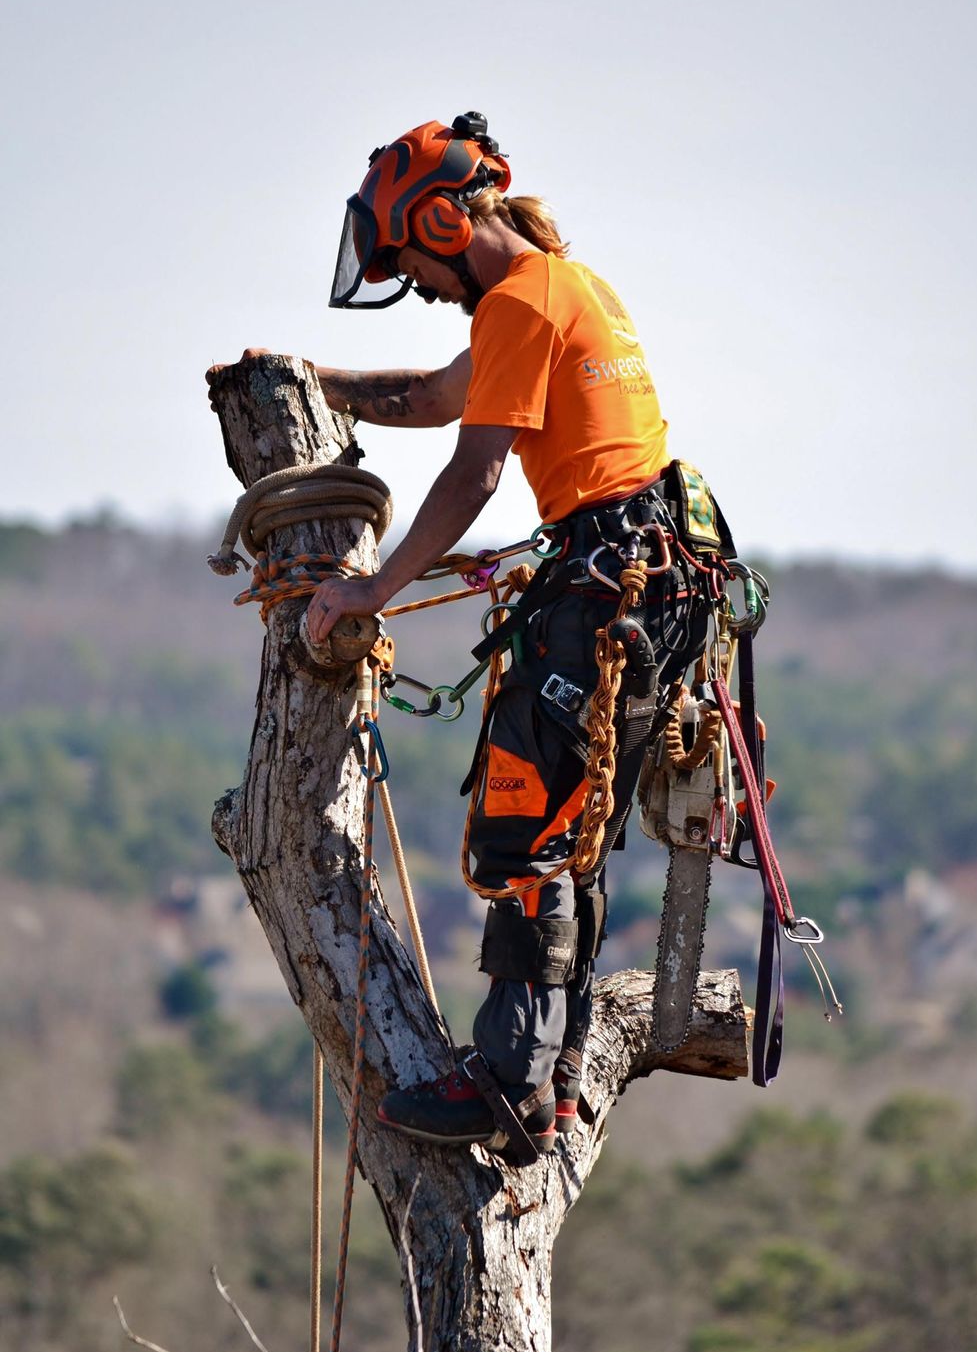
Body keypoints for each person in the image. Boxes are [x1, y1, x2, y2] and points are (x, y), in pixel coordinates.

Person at [221, 113, 726, 1156]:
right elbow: (436, 398)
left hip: (611, 580)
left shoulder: (520, 302)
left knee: (528, 823)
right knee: (572, 831)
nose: (418, 279)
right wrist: (316, 383)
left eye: (412, 260)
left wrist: (372, 590)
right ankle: (554, 1075)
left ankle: (506, 1084)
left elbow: (475, 469)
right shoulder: (564, 289)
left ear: (447, 219)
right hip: (653, 576)